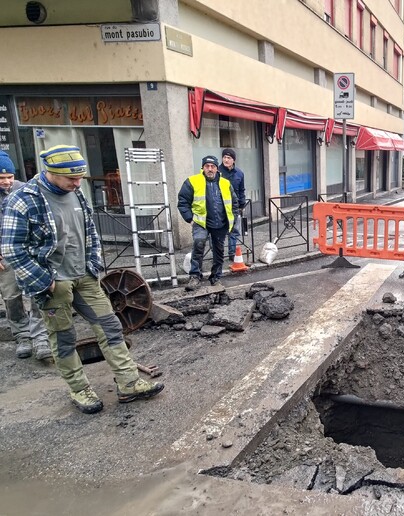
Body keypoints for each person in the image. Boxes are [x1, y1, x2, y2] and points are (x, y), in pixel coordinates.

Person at [0, 145, 164, 414]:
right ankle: (79, 389)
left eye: (79, 178)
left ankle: (129, 383)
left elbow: (90, 232)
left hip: (84, 276)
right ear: (51, 172)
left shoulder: (76, 194)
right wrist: (44, 281)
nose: (77, 183)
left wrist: (94, 265)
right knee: (63, 337)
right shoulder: (24, 199)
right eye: (71, 179)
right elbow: (12, 249)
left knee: (110, 325)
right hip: (52, 282)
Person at [0, 151, 51, 361]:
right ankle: (22, 335)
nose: (6, 182)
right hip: (5, 254)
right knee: (11, 296)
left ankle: (41, 337)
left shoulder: (25, 189)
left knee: (37, 291)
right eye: (1, 178)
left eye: (9, 177)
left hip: (29, 250)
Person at [177, 155, 235, 290]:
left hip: (220, 223)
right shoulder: (192, 181)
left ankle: (216, 278)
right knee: (198, 245)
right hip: (200, 222)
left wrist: (233, 217)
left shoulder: (225, 183)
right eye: (207, 166)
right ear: (202, 168)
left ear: (216, 168)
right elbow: (183, 202)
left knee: (219, 251)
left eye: (213, 166)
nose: (210, 169)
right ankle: (195, 277)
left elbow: (234, 202)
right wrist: (189, 218)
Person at [218, 148, 247, 261]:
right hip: (220, 207)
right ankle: (218, 254)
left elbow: (241, 190)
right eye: (224, 157)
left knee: (233, 231)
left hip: (234, 207)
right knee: (218, 232)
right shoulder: (217, 172)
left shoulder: (239, 173)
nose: (226, 159)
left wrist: (242, 204)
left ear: (233, 160)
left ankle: (231, 254)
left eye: (229, 158)